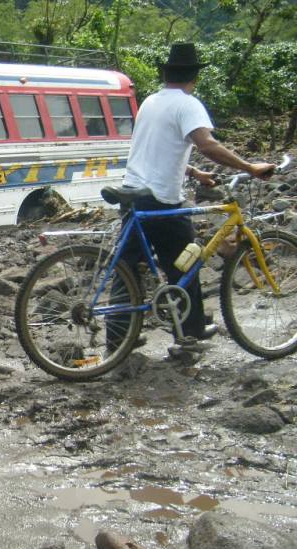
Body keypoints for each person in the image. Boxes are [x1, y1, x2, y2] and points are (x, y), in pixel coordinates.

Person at [109, 42, 274, 347]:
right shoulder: (188, 104)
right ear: (193, 77)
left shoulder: (151, 102)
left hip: (134, 191)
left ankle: (118, 339)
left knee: (126, 266)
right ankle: (191, 330)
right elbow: (206, 144)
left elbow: (153, 150)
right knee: (186, 261)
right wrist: (249, 166)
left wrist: (194, 173)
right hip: (161, 199)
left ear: (167, 74)